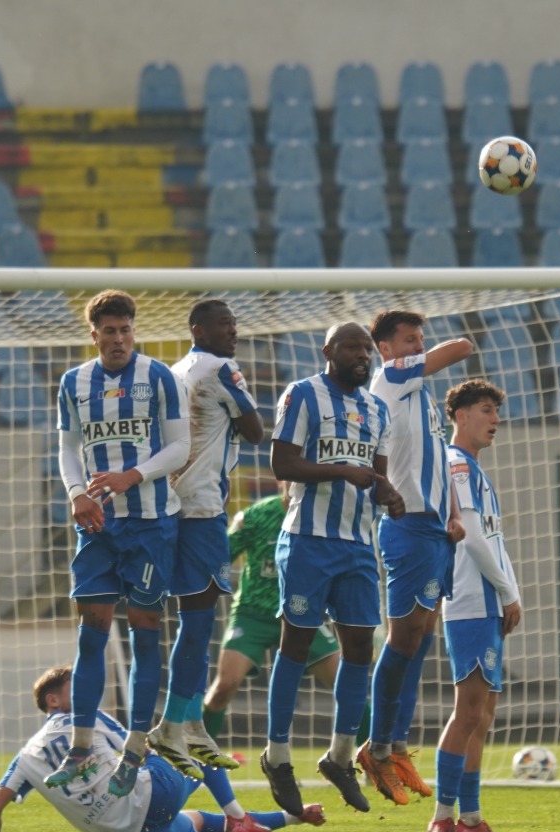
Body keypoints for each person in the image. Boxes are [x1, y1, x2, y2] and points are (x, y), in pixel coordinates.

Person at [45, 290, 189, 798]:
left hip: (151, 524)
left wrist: (134, 474)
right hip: (99, 525)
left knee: (144, 631)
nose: (119, 338)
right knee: (92, 632)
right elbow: (67, 447)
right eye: (109, 331)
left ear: (134, 330)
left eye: (125, 329)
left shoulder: (160, 377)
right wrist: (76, 492)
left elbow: (179, 446)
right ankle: (82, 748)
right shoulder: (74, 382)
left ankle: (134, 749)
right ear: (95, 335)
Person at [262, 321, 405, 816]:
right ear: (328, 351)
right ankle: (277, 756)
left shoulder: (376, 409)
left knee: (361, 647)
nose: (362, 355)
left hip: (359, 545)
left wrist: (387, 491)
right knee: (296, 644)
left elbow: (377, 473)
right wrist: (342, 470)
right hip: (307, 541)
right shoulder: (302, 395)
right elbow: (283, 464)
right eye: (352, 346)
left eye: (367, 348)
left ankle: (340, 756)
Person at [0, 666, 324, 832]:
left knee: (200, 820)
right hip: (149, 800)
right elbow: (139, 748)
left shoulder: (24, 758)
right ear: (53, 701)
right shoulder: (86, 718)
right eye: (78, 683)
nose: (89, 686)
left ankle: (295, 817)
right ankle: (238, 816)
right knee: (186, 740)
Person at [359, 310, 473, 806]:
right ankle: (376, 746)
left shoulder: (419, 396)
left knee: (422, 634)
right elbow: (465, 346)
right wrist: (426, 354)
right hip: (406, 525)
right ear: (384, 348)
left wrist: (452, 510)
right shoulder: (390, 376)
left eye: (420, 340)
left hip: (433, 524)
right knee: (404, 634)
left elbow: (438, 456)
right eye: (409, 339)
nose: (417, 347)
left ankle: (397, 745)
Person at [149, 299, 263, 774]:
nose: (232, 331)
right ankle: (171, 726)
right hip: (202, 509)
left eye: (234, 324)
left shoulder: (178, 370)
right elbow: (255, 431)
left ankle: (193, 723)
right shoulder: (222, 368)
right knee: (199, 623)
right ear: (198, 328)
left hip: (175, 504)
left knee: (193, 619)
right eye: (223, 324)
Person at [426, 380, 521, 832]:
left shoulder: (476, 471)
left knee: (482, 716)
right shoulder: (455, 463)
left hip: (487, 602)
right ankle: (442, 818)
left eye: (496, 412)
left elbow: (493, 540)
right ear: (460, 415)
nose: (495, 420)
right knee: (467, 712)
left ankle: (471, 819)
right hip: (468, 600)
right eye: (486, 410)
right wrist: (507, 592)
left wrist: (510, 591)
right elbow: (474, 539)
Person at [201, 485, 343, 743]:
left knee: (346, 684)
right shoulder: (255, 516)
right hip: (252, 614)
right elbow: (221, 556)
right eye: (292, 478)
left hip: (301, 613)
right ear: (281, 482)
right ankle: (196, 751)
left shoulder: (321, 518)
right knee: (224, 686)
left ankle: (371, 758)